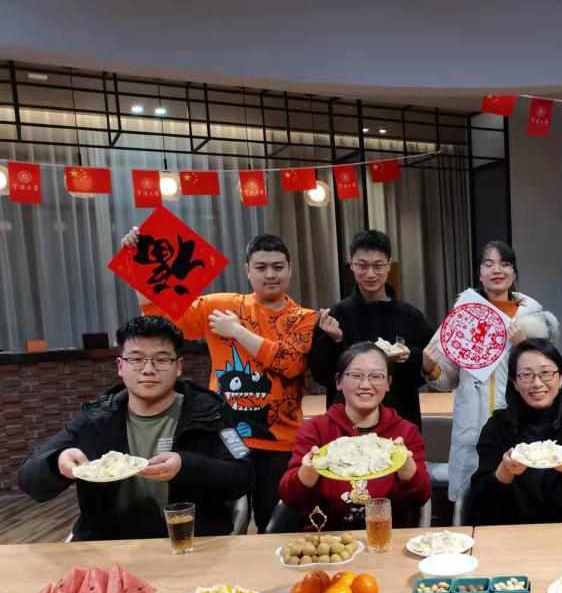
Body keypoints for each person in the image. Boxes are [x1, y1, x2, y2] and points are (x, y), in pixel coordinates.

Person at [121, 228, 318, 532]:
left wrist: (237, 331)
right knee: (219, 528)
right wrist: (137, 260)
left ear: (290, 269)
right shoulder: (220, 305)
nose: (270, 274)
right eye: (261, 267)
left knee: (277, 529)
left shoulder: (304, 318)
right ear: (247, 270)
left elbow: (289, 364)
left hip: (280, 443)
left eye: (278, 267)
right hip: (223, 440)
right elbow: (162, 316)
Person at [19, 316, 253, 541]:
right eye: (136, 359)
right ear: (120, 366)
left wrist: (186, 466)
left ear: (178, 366)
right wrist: (57, 463)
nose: (148, 369)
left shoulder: (209, 413)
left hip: (189, 543)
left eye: (161, 360)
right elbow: (29, 479)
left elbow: (243, 475)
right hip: (109, 547)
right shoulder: (95, 419)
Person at [421, 241, 558, 507]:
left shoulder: (534, 320)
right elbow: (447, 379)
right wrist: (430, 367)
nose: (497, 270)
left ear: (514, 273)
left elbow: (548, 376)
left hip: (520, 421)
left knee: (521, 496)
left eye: (505, 264)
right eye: (488, 264)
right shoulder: (463, 316)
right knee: (472, 499)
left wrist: (522, 345)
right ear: (479, 273)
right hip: (472, 422)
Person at [278, 342, 431, 530]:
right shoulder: (315, 429)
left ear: (388, 383)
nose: (366, 385)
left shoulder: (405, 432)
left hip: (386, 537)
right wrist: (307, 474)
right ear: (339, 382)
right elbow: (290, 499)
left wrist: (408, 471)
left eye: (376, 376)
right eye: (356, 376)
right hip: (327, 538)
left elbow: (420, 498)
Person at [466, 339, 562, 525]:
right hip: (509, 532)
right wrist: (504, 472)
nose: (537, 383)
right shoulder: (497, 427)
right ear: (515, 382)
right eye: (526, 375)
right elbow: (479, 502)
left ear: (561, 378)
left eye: (546, 373)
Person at [309, 229, 434, 428]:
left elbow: (427, 373)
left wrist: (410, 356)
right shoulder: (334, 317)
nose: (370, 274)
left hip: (400, 421)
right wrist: (334, 341)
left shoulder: (410, 316)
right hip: (346, 426)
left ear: (389, 264)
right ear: (351, 263)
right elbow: (321, 376)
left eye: (378, 266)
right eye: (362, 265)